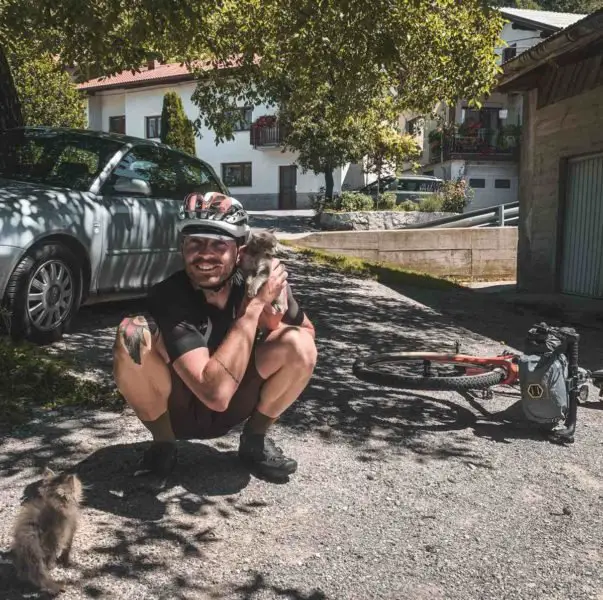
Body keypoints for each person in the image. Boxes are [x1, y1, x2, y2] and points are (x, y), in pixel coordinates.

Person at [112, 192, 317, 481]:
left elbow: (308, 333)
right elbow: (214, 395)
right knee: (131, 333)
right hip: (180, 407)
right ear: (182, 247)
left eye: (218, 245)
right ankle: (163, 445)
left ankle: (255, 440)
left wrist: (273, 318)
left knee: (300, 342)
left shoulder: (260, 281)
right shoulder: (169, 295)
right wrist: (254, 307)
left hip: (238, 401)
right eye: (194, 243)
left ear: (240, 252)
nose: (204, 254)